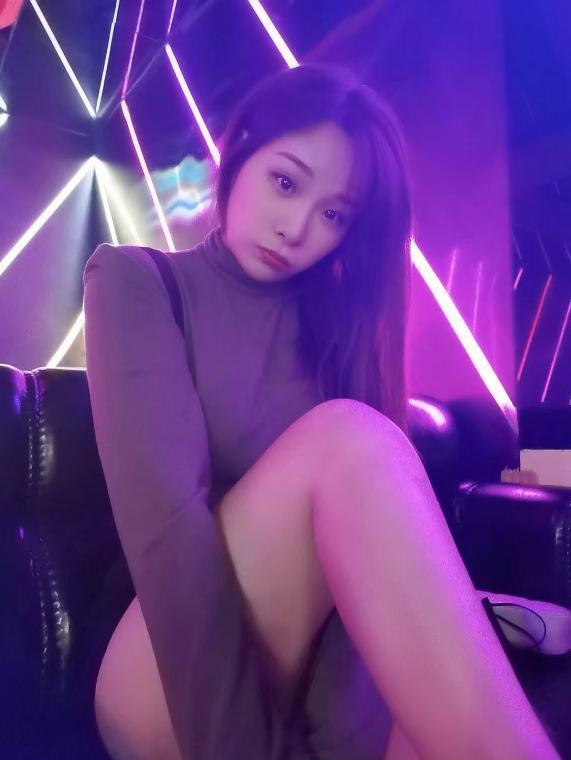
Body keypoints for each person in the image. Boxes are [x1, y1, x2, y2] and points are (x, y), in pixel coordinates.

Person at [83, 64, 560, 760]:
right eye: (285, 182)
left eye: (334, 214)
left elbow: (348, 593)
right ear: (240, 149)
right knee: (350, 438)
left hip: (302, 676)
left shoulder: (333, 331)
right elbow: (169, 532)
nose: (297, 227)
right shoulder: (136, 281)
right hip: (162, 671)